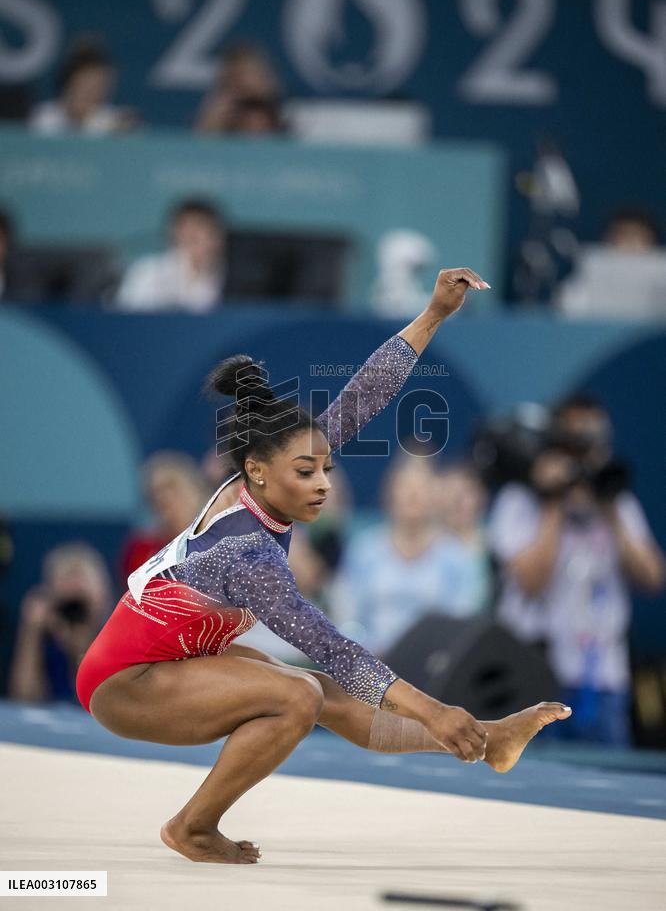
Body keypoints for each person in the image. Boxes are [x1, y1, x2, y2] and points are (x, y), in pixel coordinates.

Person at [76, 267, 571, 866]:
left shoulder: (267, 473)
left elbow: (366, 393)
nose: (322, 487)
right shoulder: (248, 554)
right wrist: (434, 708)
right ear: (258, 469)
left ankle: (488, 741)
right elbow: (335, 647)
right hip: (125, 684)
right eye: (307, 474)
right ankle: (192, 827)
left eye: (326, 470)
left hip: (174, 656)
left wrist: (434, 313)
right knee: (300, 695)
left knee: (326, 696)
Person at [489, 394, 665, 746]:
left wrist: (610, 508)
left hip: (604, 683)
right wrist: (554, 499)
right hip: (534, 679)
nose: (590, 455)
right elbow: (531, 582)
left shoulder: (618, 503)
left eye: (598, 442)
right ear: (557, 446)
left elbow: (653, 578)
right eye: (579, 444)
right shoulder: (520, 500)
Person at [332, 457, 488, 655]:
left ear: (435, 497)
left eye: (421, 488)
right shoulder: (364, 550)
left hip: (434, 665)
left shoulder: (457, 557)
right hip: (374, 663)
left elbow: (463, 620)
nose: (413, 495)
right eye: (405, 487)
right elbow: (345, 616)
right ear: (390, 495)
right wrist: (367, 649)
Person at [9, 543, 112, 704]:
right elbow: (24, 698)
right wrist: (31, 631)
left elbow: (103, 703)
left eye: (82, 580)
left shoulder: (115, 641)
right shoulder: (47, 644)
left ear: (104, 597)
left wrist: (80, 650)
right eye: (66, 580)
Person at [115, 199, 226, 312]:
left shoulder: (228, 277)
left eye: (200, 229)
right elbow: (128, 316)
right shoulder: (148, 271)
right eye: (184, 230)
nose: (190, 234)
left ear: (218, 237)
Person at [119, 452, 209, 590]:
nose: (164, 498)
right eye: (155, 494)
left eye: (173, 488)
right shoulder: (142, 550)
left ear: (196, 492)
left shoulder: (225, 537)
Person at [29, 37, 137, 135]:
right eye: (86, 85)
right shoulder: (42, 117)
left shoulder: (113, 123)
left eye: (100, 86)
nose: (93, 93)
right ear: (69, 83)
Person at [433, 462, 494, 610]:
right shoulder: (425, 548)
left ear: (481, 498)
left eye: (466, 492)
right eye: (450, 491)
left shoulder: (497, 547)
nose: (457, 500)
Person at [195, 42, 282, 135]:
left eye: (246, 72)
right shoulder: (219, 111)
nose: (240, 81)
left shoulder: (290, 114)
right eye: (233, 76)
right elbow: (201, 143)